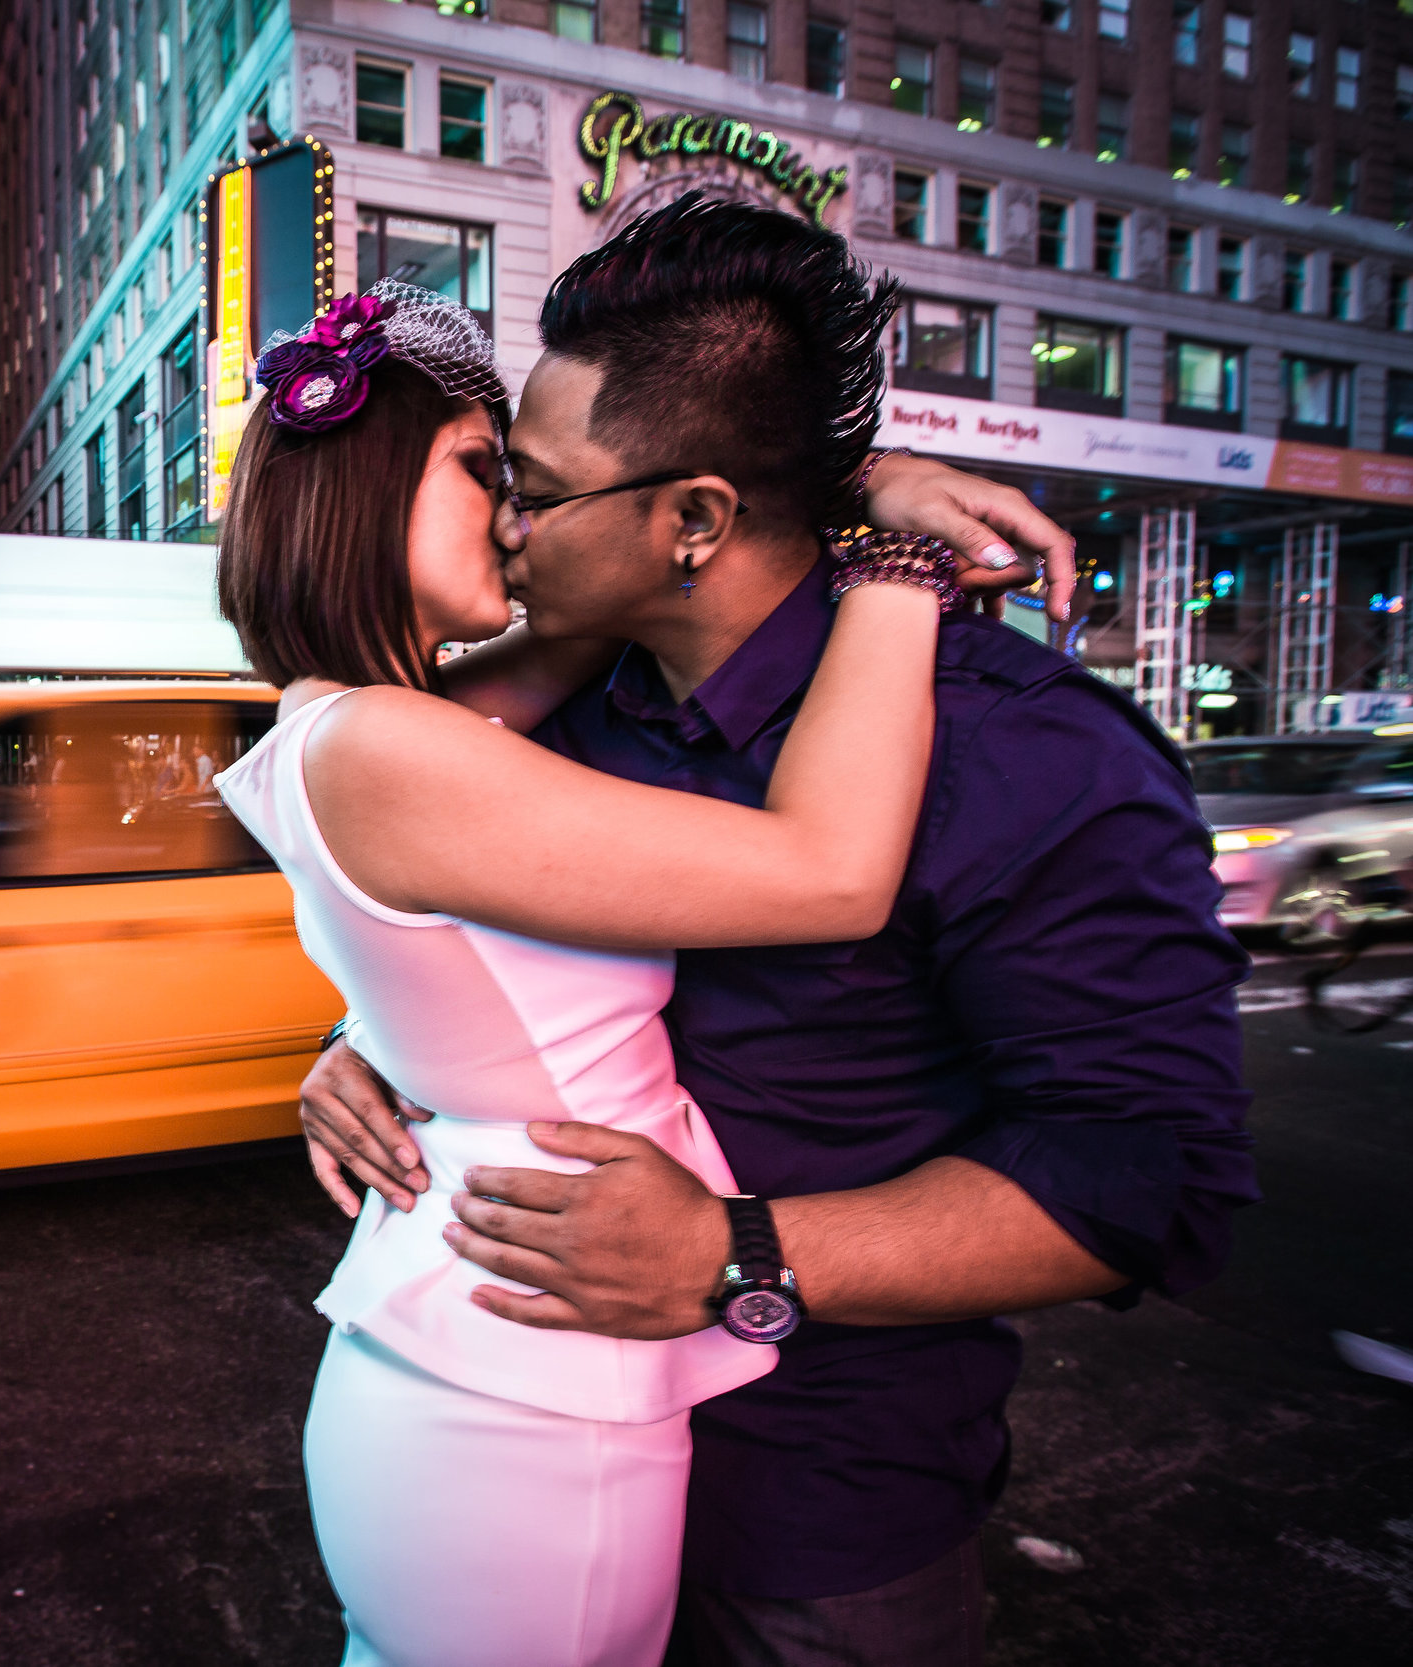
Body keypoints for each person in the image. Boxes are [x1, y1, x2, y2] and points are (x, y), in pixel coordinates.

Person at [292, 205, 1253, 1665]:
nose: (504, 522)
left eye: (533, 490)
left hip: (808, 1513)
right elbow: (484, 931)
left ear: (695, 519)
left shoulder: (1027, 754)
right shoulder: (564, 706)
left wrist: (739, 1248)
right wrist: (376, 1039)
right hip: (520, 1458)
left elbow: (1142, 1171)